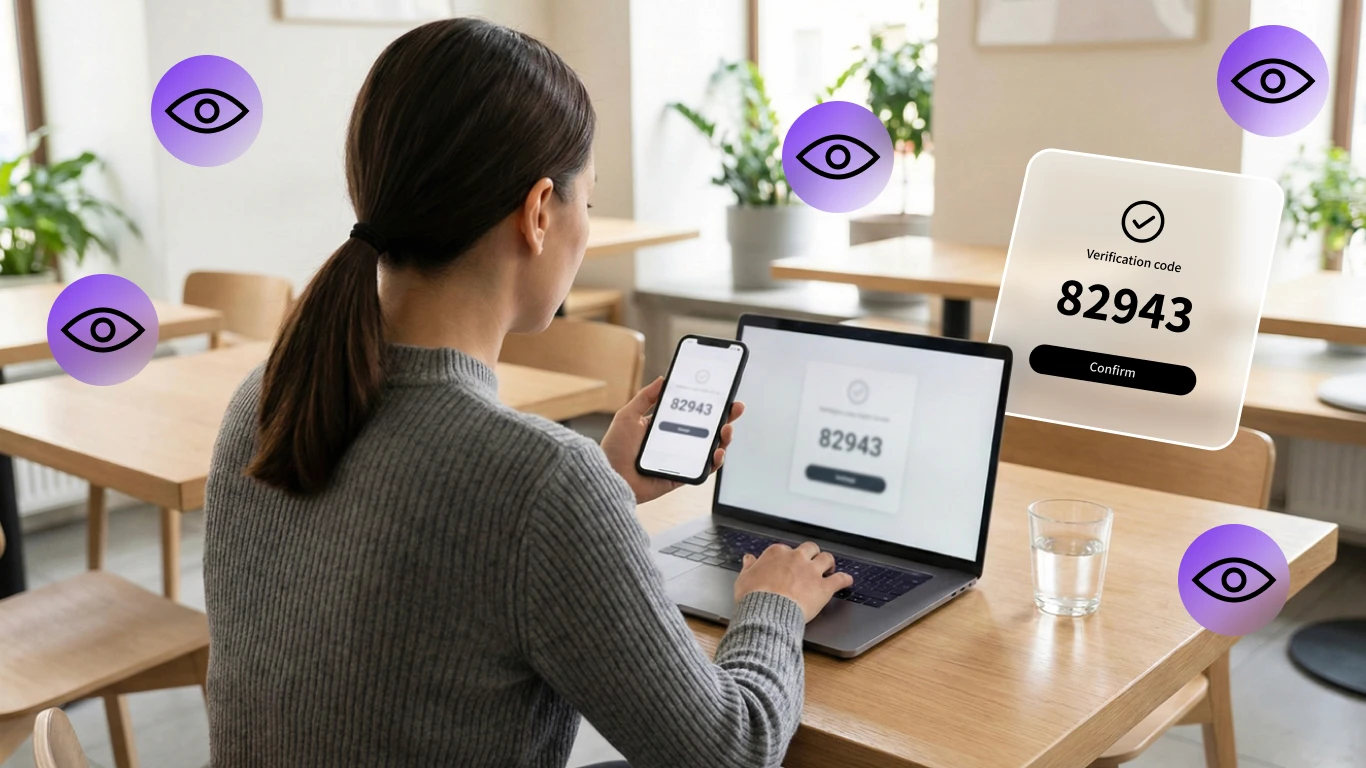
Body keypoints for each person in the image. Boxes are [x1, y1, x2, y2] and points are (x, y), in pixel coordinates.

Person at [203, 17, 851, 768]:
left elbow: (427, 584)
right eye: (589, 201)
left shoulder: (267, 399)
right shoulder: (541, 484)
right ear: (539, 212)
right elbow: (731, 751)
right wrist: (776, 604)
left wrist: (604, 486)